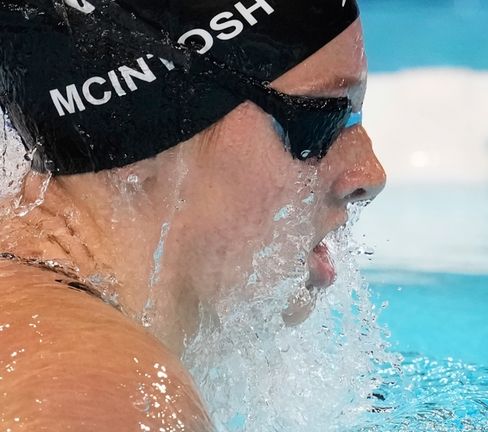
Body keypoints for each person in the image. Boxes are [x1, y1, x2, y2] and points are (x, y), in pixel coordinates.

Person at [0, 0, 385, 429]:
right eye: (321, 120)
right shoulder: (107, 394)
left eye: (357, 114)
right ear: (134, 126)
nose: (369, 174)